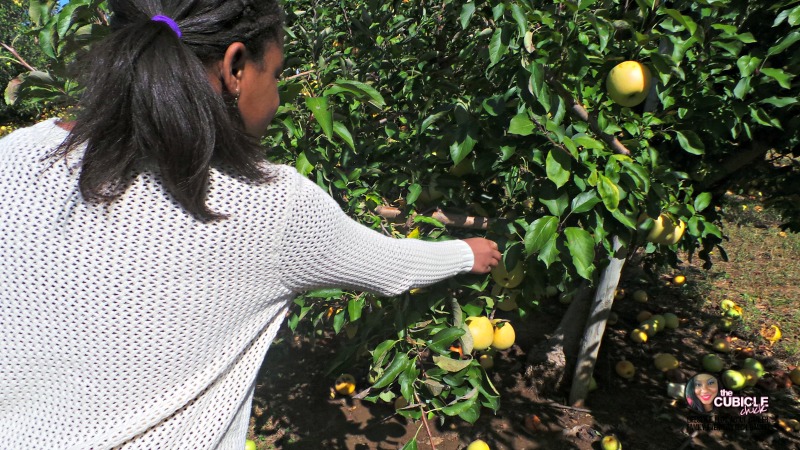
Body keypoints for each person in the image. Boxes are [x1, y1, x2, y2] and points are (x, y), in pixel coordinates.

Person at [0, 1, 501, 449]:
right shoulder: (269, 206)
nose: (278, 96)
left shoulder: (13, 158)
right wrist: (467, 253)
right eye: (277, 73)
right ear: (237, 66)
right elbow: (389, 265)